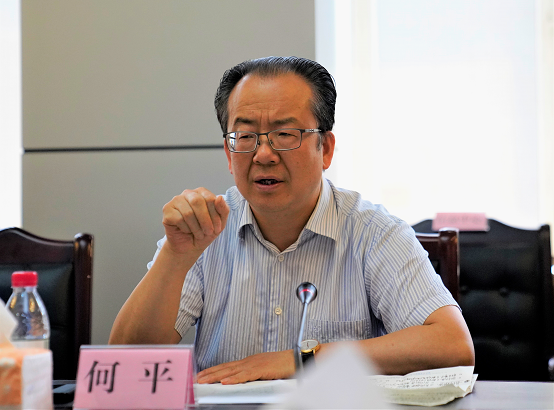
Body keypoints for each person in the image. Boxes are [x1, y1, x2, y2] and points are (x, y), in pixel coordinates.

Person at [109, 56, 474, 385]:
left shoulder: (374, 232)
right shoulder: (204, 229)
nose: (264, 154)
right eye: (246, 136)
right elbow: (125, 362)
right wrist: (175, 257)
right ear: (229, 152)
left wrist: (303, 360)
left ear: (325, 148)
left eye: (285, 134)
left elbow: (452, 344)